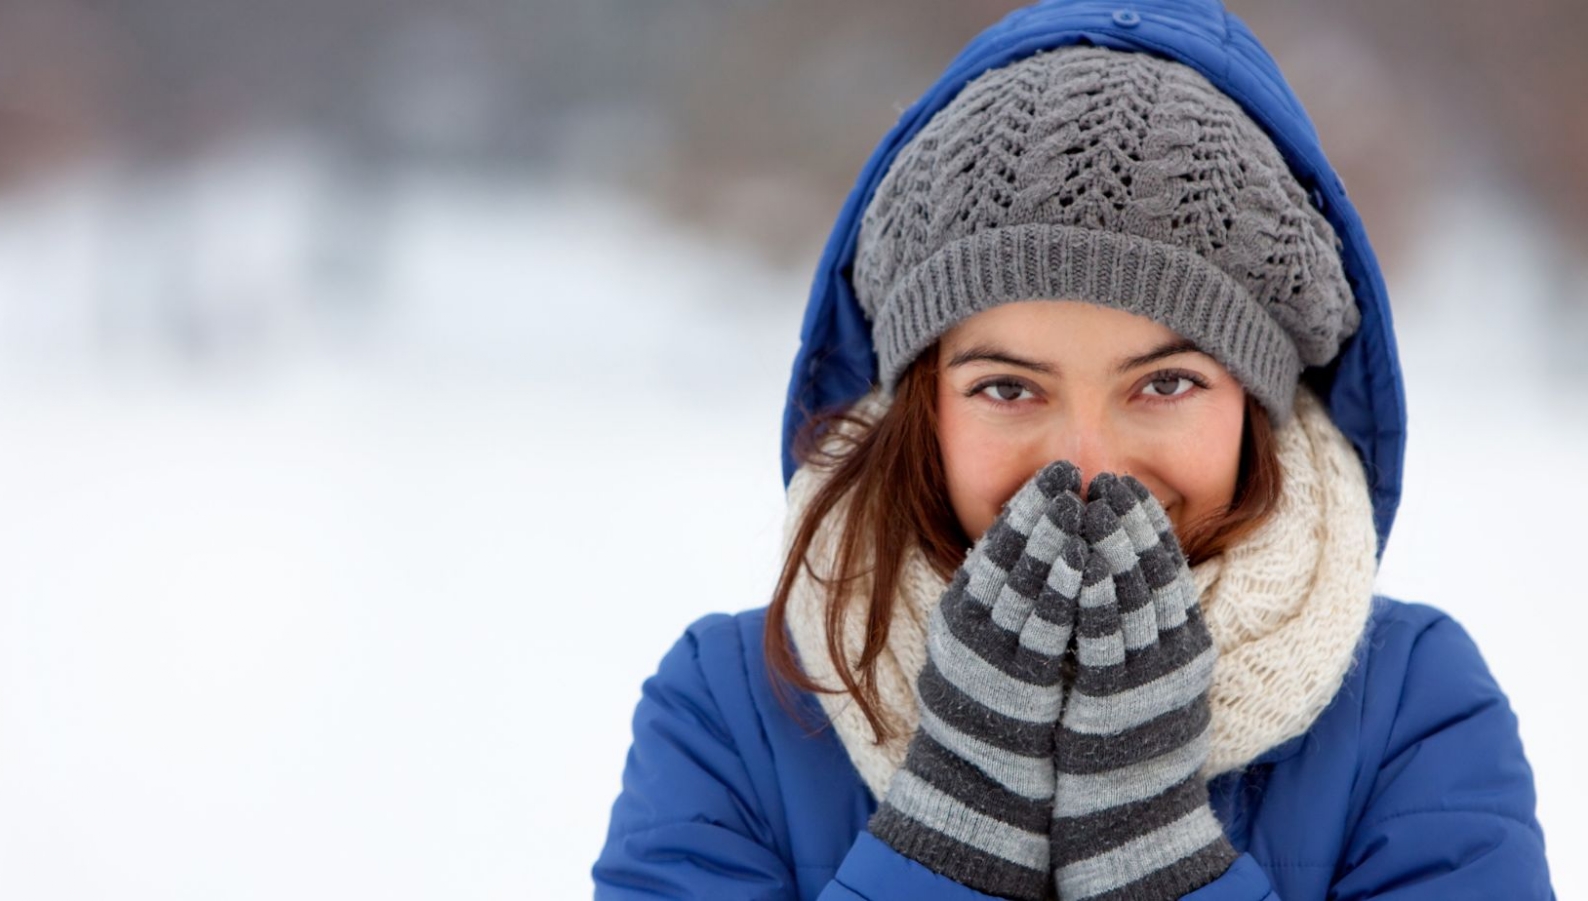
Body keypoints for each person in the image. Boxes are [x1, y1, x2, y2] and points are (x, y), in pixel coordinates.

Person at [593, 0, 1556, 898]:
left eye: (1165, 383)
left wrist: (1161, 859)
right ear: (920, 407)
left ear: (1258, 405)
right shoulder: (734, 710)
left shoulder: (1409, 709)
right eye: (1008, 388)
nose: (1088, 466)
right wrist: (950, 836)